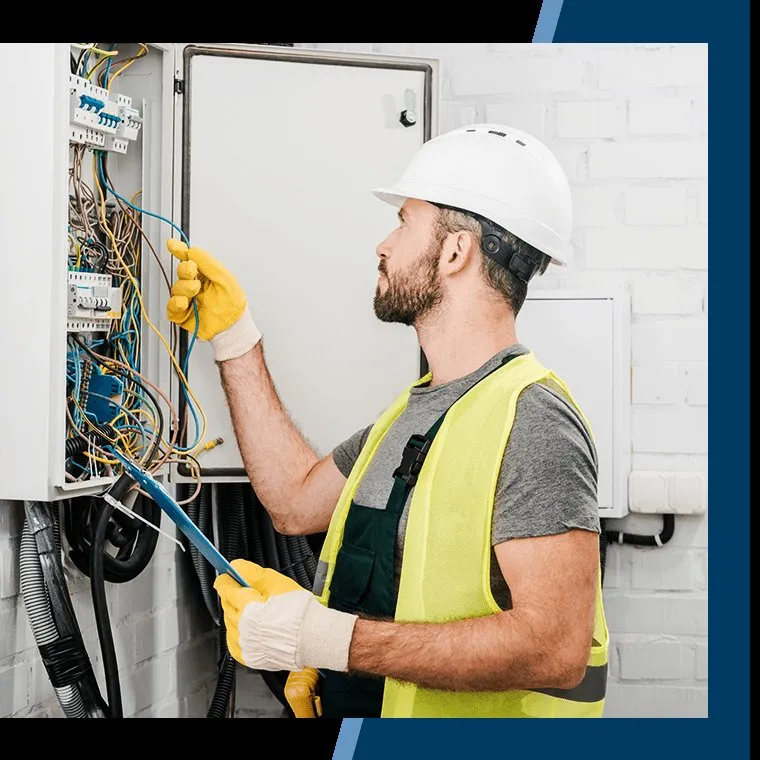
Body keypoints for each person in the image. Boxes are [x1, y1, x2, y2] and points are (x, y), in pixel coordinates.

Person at [165, 123, 609, 718]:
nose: (383, 244)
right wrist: (234, 337)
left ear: (455, 252)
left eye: (404, 223)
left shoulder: (532, 420)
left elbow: (554, 649)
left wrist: (326, 638)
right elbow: (294, 501)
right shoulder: (411, 412)